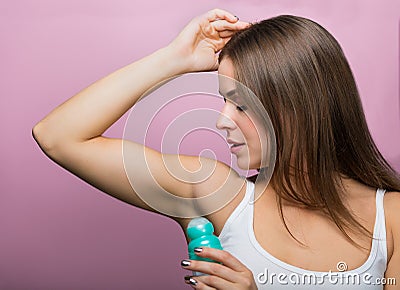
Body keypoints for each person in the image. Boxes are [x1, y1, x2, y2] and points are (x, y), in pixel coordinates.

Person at [32, 8, 400, 289]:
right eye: (223, 101)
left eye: (239, 103)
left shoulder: (392, 218)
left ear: (297, 107)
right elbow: (58, 137)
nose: (222, 120)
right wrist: (175, 59)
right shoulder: (216, 194)